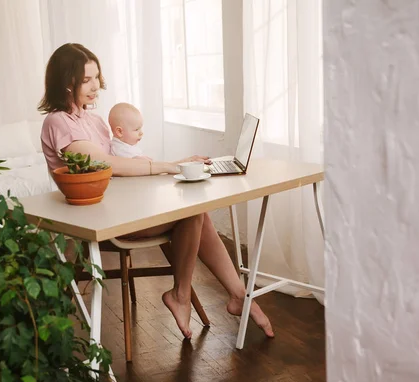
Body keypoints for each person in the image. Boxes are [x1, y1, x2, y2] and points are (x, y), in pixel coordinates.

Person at [38, 43, 274, 340]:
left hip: (119, 205)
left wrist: (176, 164)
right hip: (99, 220)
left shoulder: (94, 121)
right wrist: (170, 167)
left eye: (96, 77)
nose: (95, 86)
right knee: (192, 212)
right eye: (86, 80)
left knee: (195, 210)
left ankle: (233, 296)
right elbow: (108, 165)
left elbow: (123, 161)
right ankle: (189, 295)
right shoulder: (58, 122)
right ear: (65, 82)